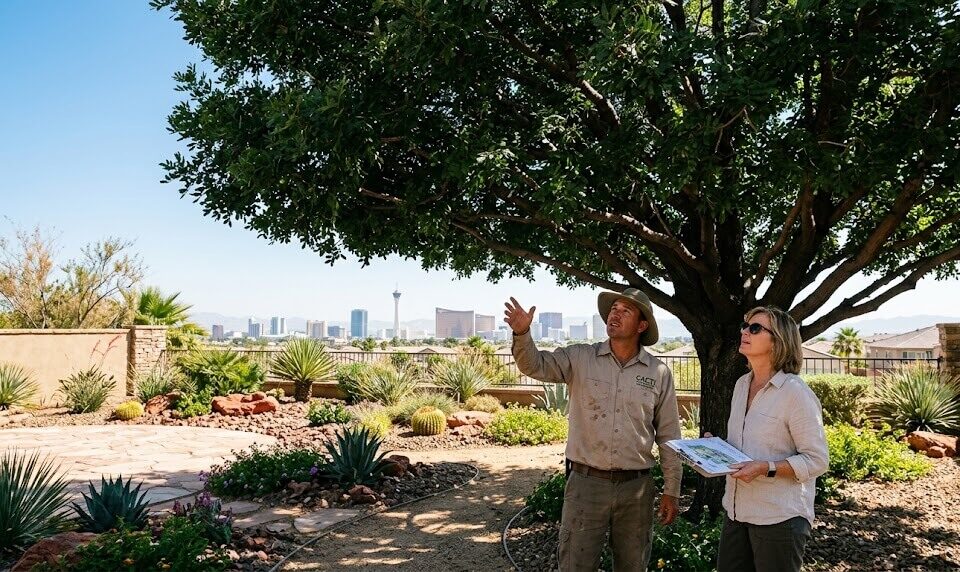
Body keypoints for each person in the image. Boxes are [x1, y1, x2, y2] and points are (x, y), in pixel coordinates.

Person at [504, 288, 682, 571]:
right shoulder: (579, 358)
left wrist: (672, 489)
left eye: (625, 311)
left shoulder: (658, 372)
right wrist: (523, 334)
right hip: (586, 485)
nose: (615, 314)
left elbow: (670, 436)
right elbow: (534, 365)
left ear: (641, 325)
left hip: (636, 487)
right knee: (576, 563)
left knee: (633, 565)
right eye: (614, 308)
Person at [711, 306, 829, 572]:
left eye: (755, 328)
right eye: (745, 326)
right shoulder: (742, 384)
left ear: (778, 341)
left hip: (780, 518)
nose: (744, 331)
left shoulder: (795, 393)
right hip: (736, 513)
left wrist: (767, 468)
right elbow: (743, 448)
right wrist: (711, 450)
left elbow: (817, 460)